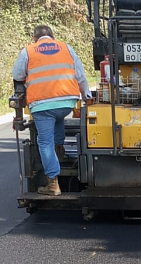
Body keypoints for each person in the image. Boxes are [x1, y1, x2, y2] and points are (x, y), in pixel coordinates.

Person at [12, 25, 91, 196]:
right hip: (66, 101)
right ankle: (60, 154)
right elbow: (80, 75)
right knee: (58, 120)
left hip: (42, 104)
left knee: (44, 142)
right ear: (52, 37)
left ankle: (53, 184)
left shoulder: (29, 51)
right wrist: (87, 96)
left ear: (35, 39)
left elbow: (17, 75)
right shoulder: (66, 47)